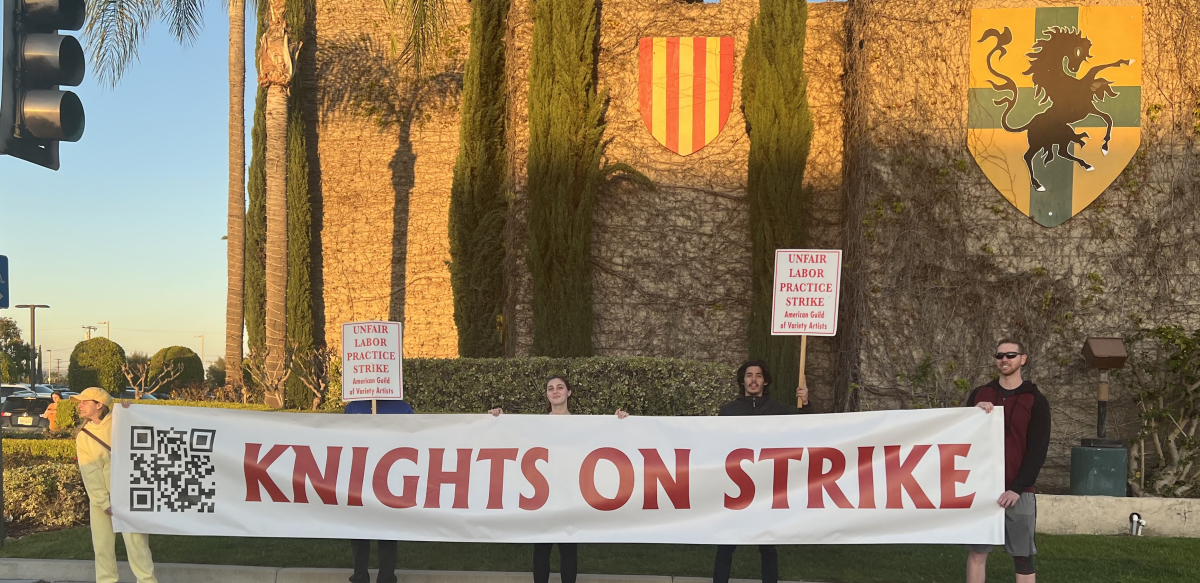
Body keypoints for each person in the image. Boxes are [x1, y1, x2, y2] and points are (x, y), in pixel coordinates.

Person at [489, 376, 627, 583]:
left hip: (571, 494)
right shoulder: (537, 424)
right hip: (543, 496)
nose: (555, 391)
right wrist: (499, 419)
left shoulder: (583, 425)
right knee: (541, 549)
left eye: (560, 387)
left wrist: (618, 422)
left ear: (569, 392)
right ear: (546, 394)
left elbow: (604, 440)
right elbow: (513, 438)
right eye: (550, 388)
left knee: (569, 550)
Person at [713, 359, 810, 583]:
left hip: (767, 488)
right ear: (742, 380)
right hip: (736, 489)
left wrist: (805, 404)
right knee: (726, 547)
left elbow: (806, 431)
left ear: (765, 381)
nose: (753, 380)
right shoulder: (728, 411)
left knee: (767, 548)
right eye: (749, 375)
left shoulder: (778, 411)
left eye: (758, 375)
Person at [965, 339, 1051, 583]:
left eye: (1010, 355)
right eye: (1000, 355)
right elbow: (961, 435)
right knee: (978, 550)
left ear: (1022, 359)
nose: (1004, 359)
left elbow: (1038, 449)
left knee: (1023, 555)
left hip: (1019, 489)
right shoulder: (980, 394)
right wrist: (972, 414)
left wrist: (1017, 487)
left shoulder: (1036, 400)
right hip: (982, 487)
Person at [71, 387, 158, 583]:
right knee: (102, 547)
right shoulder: (83, 434)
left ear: (99, 404)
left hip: (129, 495)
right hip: (101, 500)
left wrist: (131, 412)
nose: (80, 405)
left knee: (137, 546)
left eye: (85, 401)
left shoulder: (120, 421)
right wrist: (103, 501)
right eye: (80, 402)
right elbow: (89, 471)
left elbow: (146, 434)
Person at [344, 398, 416, 583]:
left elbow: (417, 440)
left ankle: (387, 577)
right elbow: (342, 438)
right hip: (360, 477)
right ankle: (359, 576)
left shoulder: (403, 408)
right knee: (360, 530)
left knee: (388, 530)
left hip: (391, 479)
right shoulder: (354, 407)